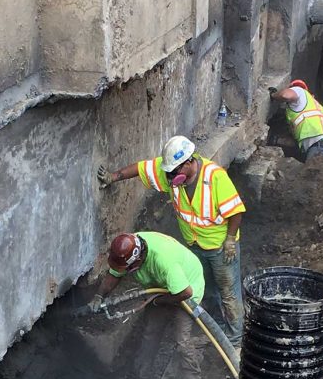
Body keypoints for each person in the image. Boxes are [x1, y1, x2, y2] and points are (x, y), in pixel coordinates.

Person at [96, 136, 245, 344]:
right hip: (195, 244)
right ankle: (217, 327)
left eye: (175, 173)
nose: (170, 177)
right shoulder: (171, 172)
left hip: (220, 246)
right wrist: (114, 176)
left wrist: (230, 239)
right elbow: (142, 169)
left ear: (188, 162)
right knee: (208, 288)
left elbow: (235, 211)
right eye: (169, 172)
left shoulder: (214, 178)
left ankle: (235, 339)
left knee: (228, 291)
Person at [89, 231, 206, 379]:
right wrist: (99, 296)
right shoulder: (128, 248)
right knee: (150, 332)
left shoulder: (164, 261)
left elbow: (185, 292)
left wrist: (160, 301)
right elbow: (114, 274)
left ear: (137, 260)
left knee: (182, 341)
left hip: (187, 288)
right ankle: (139, 377)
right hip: (162, 286)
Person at [269, 79, 323, 162]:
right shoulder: (314, 108)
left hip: (319, 146)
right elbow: (297, 142)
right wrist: (278, 141)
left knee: (313, 172)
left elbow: (285, 95)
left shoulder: (299, 91)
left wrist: (273, 94)